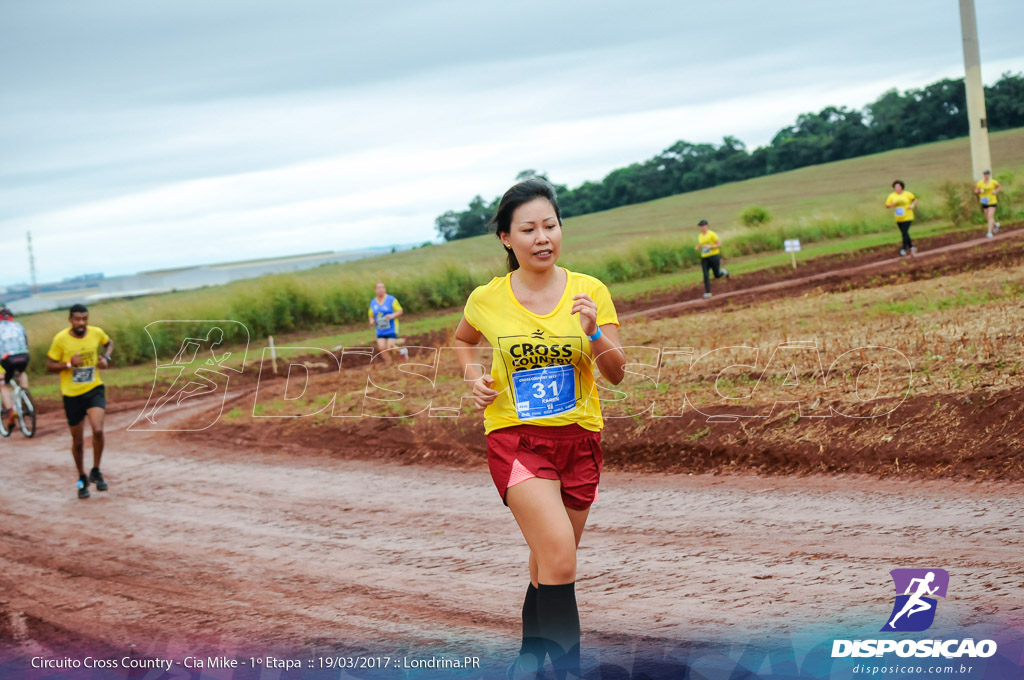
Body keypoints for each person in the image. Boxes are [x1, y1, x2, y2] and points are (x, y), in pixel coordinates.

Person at [454, 178, 626, 680]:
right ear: (507, 239)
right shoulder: (487, 299)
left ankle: (530, 657)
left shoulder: (590, 290)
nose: (542, 236)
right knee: (560, 558)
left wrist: (593, 331)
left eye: (549, 225)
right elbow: (463, 341)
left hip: (580, 438)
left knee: (548, 564)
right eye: (528, 228)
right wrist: (473, 376)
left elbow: (615, 373)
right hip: (517, 438)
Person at [45, 304, 114, 499]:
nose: (81, 323)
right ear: (70, 320)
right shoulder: (61, 339)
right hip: (72, 395)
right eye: (77, 319)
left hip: (94, 389)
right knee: (77, 442)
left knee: (98, 429)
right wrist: (67, 364)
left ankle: (96, 470)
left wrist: (106, 358)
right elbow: (49, 365)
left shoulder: (96, 333)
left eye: (84, 319)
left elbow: (109, 342)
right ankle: (81, 478)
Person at [0, 306, 31, 430]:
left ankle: (10, 410)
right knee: (22, 372)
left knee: (3, 383)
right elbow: (25, 341)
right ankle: (25, 394)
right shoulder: (18, 325)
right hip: (23, 355)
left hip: (7, 358)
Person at [368, 282, 404, 365]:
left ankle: (402, 351)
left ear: (385, 289)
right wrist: (371, 320)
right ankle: (389, 364)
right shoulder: (373, 302)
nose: (381, 289)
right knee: (382, 348)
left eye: (382, 287)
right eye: (378, 288)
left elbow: (400, 311)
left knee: (390, 347)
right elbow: (371, 315)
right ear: (375, 290)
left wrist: (392, 315)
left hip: (391, 327)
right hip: (380, 329)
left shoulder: (391, 299)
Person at [695, 219, 730, 298]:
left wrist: (711, 247)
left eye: (703, 226)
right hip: (704, 257)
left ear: (707, 226)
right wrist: (698, 247)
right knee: (705, 274)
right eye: (700, 226)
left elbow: (719, 245)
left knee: (717, 275)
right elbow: (701, 244)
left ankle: (723, 272)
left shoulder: (712, 234)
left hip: (714, 256)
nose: (702, 228)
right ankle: (708, 292)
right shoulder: (700, 236)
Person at [885, 180, 918, 256]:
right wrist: (892, 204)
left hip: (908, 216)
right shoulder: (892, 196)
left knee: (904, 232)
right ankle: (912, 247)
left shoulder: (907, 194)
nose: (896, 188)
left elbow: (915, 200)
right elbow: (887, 205)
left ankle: (903, 249)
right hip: (899, 217)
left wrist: (912, 206)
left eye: (898, 186)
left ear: (901, 187)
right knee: (905, 233)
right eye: (895, 187)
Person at [974, 169, 1001, 238]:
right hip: (984, 201)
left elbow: (999, 187)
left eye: (987, 174)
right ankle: (995, 224)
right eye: (985, 174)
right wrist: (979, 191)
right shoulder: (980, 183)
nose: (986, 175)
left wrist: (995, 191)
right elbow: (976, 191)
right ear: (984, 175)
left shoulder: (993, 182)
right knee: (987, 217)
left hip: (992, 201)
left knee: (990, 216)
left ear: (989, 175)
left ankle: (989, 232)